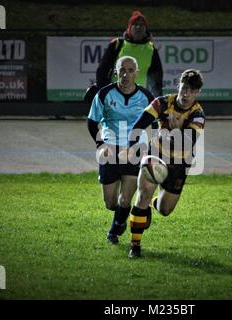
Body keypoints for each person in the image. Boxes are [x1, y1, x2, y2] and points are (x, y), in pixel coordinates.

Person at [120, 69, 205, 258]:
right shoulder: (163, 102)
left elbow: (188, 142)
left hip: (179, 165)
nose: (186, 94)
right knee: (142, 196)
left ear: (198, 93)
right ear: (178, 86)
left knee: (165, 210)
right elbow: (139, 125)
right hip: (154, 157)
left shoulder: (198, 114)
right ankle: (135, 245)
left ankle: (152, 204)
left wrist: (171, 134)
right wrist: (131, 145)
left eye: (191, 91)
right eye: (184, 89)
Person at [87, 56, 154, 245]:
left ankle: (114, 230)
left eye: (130, 70)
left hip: (135, 149)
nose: (126, 74)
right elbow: (92, 123)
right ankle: (121, 216)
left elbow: (158, 125)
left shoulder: (146, 97)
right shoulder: (104, 94)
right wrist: (100, 145)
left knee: (125, 200)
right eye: (122, 70)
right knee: (110, 203)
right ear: (116, 72)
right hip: (110, 148)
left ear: (136, 73)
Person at [95, 10, 163, 99]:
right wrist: (104, 93)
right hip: (115, 96)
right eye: (135, 24)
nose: (138, 27)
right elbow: (102, 71)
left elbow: (157, 79)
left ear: (146, 29)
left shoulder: (151, 49)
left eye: (142, 25)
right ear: (129, 28)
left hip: (139, 98)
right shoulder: (117, 45)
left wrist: (157, 99)